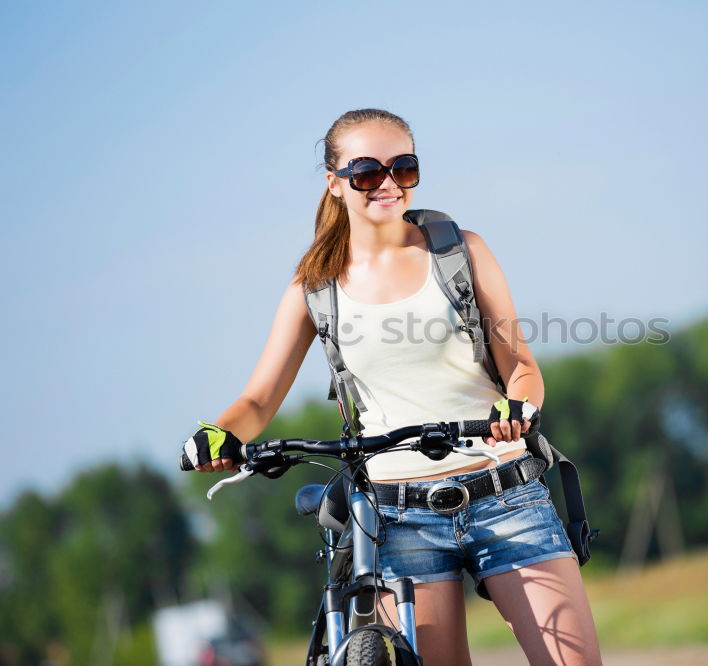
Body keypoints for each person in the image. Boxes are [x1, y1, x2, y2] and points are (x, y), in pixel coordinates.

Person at [187, 108, 602, 665]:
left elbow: (520, 363)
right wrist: (218, 433)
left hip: (506, 493)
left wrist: (519, 403)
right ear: (334, 183)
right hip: (397, 517)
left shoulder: (460, 252)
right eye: (366, 172)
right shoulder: (314, 288)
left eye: (403, 167)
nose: (387, 183)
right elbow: (259, 400)